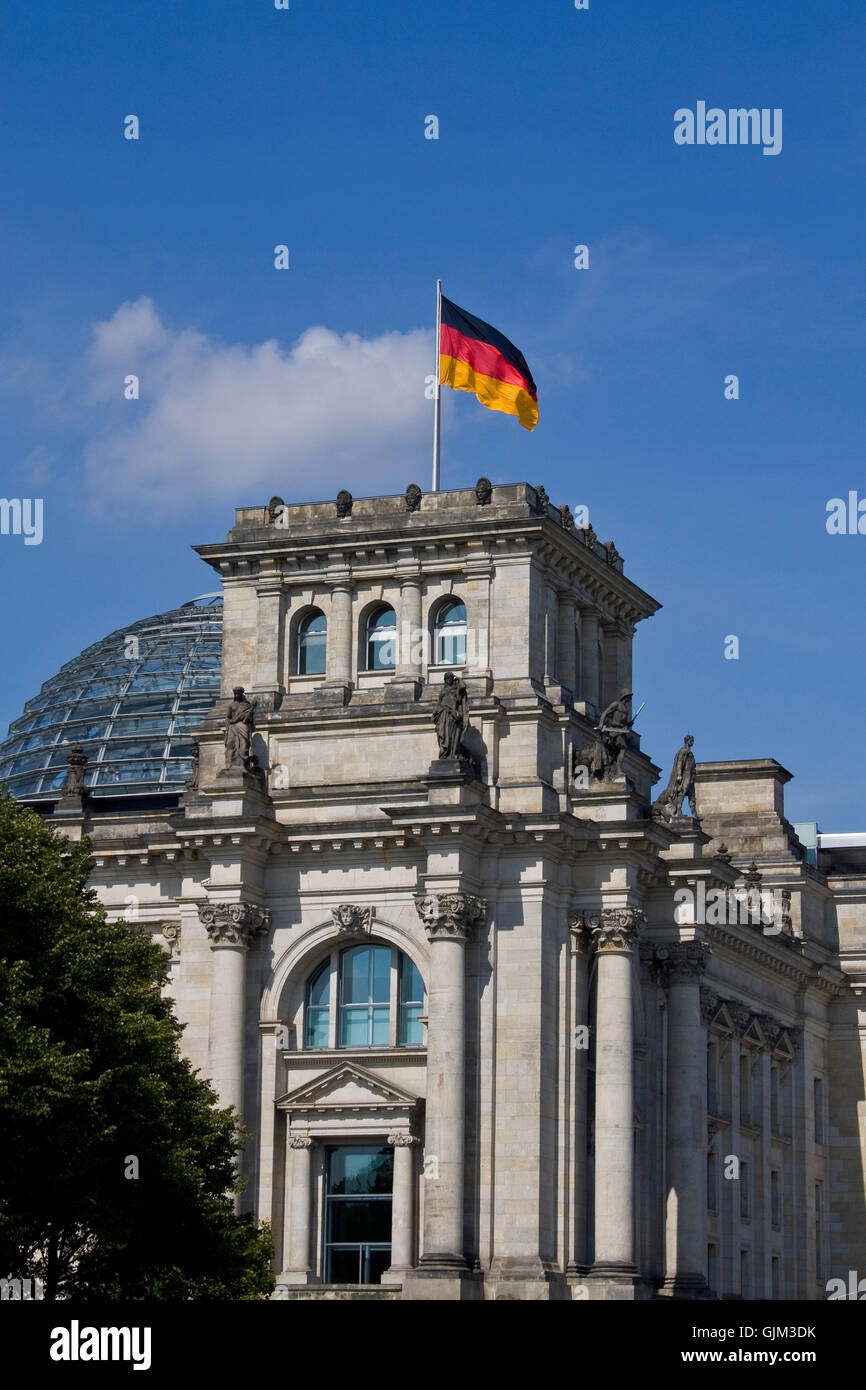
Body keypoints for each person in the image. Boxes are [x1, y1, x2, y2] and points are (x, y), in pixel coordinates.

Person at [433, 671, 468, 759]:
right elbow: (439, 703)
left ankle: (452, 753)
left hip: (453, 715)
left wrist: (459, 679)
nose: (449, 680)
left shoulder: (456, 688)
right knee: (444, 735)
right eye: (447, 678)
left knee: (452, 735)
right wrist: (436, 713)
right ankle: (445, 753)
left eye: (450, 678)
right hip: (444, 714)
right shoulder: (443, 691)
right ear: (445, 680)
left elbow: (463, 686)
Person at [224, 686, 258, 771]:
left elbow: (250, 718)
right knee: (230, 745)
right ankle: (230, 764)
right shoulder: (231, 705)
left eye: (238, 694)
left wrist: (251, 710)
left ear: (241, 694)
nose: (236, 696)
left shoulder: (247, 705)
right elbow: (228, 718)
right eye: (235, 694)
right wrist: (227, 731)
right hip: (232, 726)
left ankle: (243, 764)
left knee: (244, 743)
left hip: (243, 725)